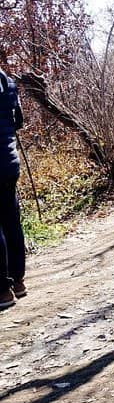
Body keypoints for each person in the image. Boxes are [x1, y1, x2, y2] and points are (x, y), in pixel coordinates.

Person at [0, 69, 27, 309]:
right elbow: (18, 120)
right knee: (11, 221)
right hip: (9, 163)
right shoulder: (7, 82)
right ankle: (17, 281)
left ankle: (2, 290)